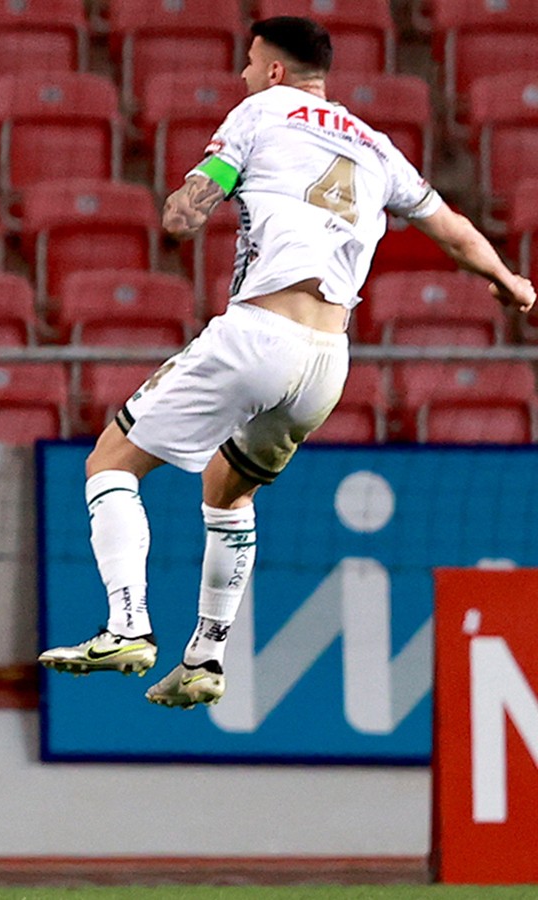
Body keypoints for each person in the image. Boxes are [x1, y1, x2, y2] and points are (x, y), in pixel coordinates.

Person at [37, 17, 537, 708]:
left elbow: (193, 204)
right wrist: (510, 282)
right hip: (328, 362)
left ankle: (126, 626)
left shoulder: (260, 111)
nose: (243, 75)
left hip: (260, 334)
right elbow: (450, 228)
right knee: (228, 490)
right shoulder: (376, 145)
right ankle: (205, 658)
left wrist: (184, 208)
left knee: (110, 463)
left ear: (274, 70)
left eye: (249, 62)